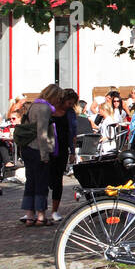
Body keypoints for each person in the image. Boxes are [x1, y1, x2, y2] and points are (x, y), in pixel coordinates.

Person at [16, 84, 59, 227]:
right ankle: (40, 216)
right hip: (37, 149)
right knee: (41, 182)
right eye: (57, 98)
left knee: (30, 182)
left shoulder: (33, 105)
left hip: (27, 148)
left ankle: (29, 215)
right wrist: (45, 154)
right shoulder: (45, 108)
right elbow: (42, 133)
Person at [47, 89, 78, 222]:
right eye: (69, 103)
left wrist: (72, 151)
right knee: (47, 178)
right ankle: (40, 208)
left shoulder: (70, 113)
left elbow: (73, 133)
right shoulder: (49, 110)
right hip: (48, 148)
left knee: (58, 179)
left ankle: (54, 210)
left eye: (72, 104)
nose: (70, 106)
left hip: (62, 149)